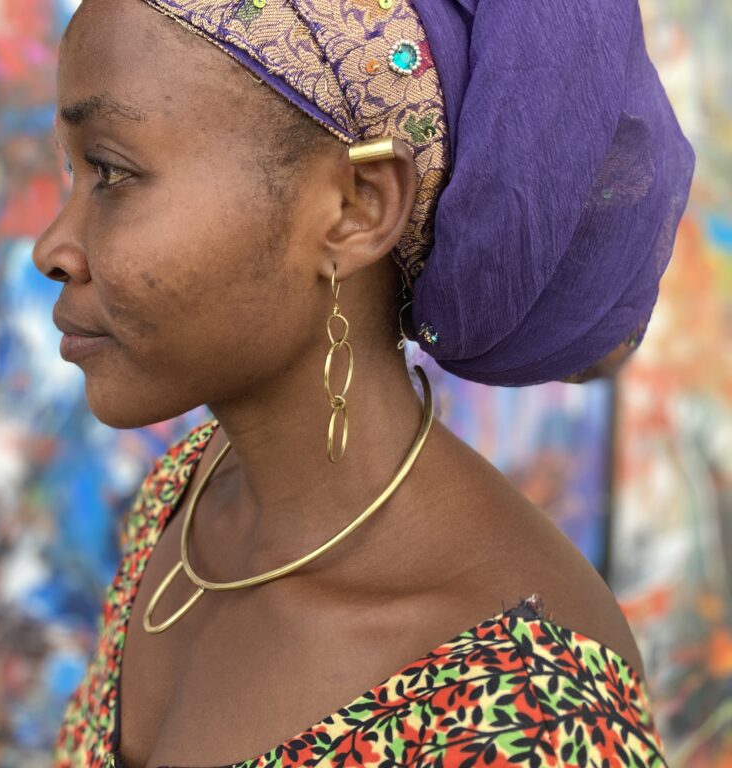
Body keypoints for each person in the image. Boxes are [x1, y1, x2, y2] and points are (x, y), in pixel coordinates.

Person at [36, 0, 694, 765]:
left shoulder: (523, 710)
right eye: (72, 172)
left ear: (356, 209)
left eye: (111, 172)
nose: (54, 246)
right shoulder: (182, 507)